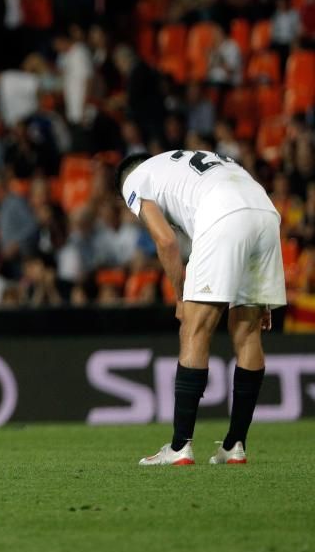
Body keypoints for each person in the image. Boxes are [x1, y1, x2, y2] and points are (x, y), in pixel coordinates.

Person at [116, 150, 285, 466]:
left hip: (223, 213)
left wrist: (181, 296)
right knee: (247, 332)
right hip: (265, 212)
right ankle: (235, 446)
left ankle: (180, 447)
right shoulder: (183, 165)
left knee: (195, 329)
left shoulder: (134, 180)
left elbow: (165, 241)